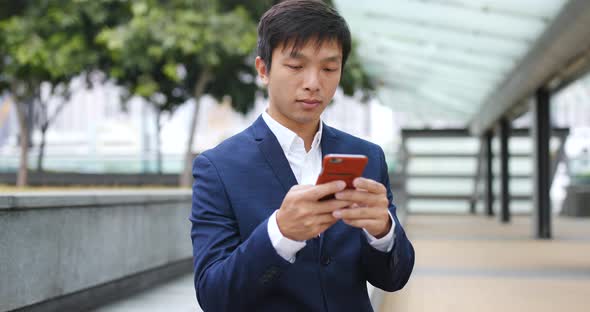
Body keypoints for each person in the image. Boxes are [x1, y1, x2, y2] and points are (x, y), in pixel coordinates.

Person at [189, 1, 414, 311]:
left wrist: (383, 232)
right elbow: (213, 295)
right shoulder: (218, 168)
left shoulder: (367, 157)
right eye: (296, 66)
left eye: (329, 68)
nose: (313, 83)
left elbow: (394, 278)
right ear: (263, 70)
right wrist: (280, 233)